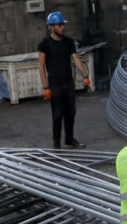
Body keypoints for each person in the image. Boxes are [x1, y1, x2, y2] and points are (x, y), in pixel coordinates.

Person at [37, 11, 90, 149]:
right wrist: (45, 87)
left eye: (63, 25)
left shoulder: (69, 42)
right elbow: (41, 66)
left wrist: (85, 76)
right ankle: (56, 143)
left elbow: (76, 59)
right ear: (51, 27)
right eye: (60, 25)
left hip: (68, 82)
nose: (63, 27)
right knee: (58, 114)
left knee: (71, 112)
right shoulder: (45, 44)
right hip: (55, 84)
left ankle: (69, 138)